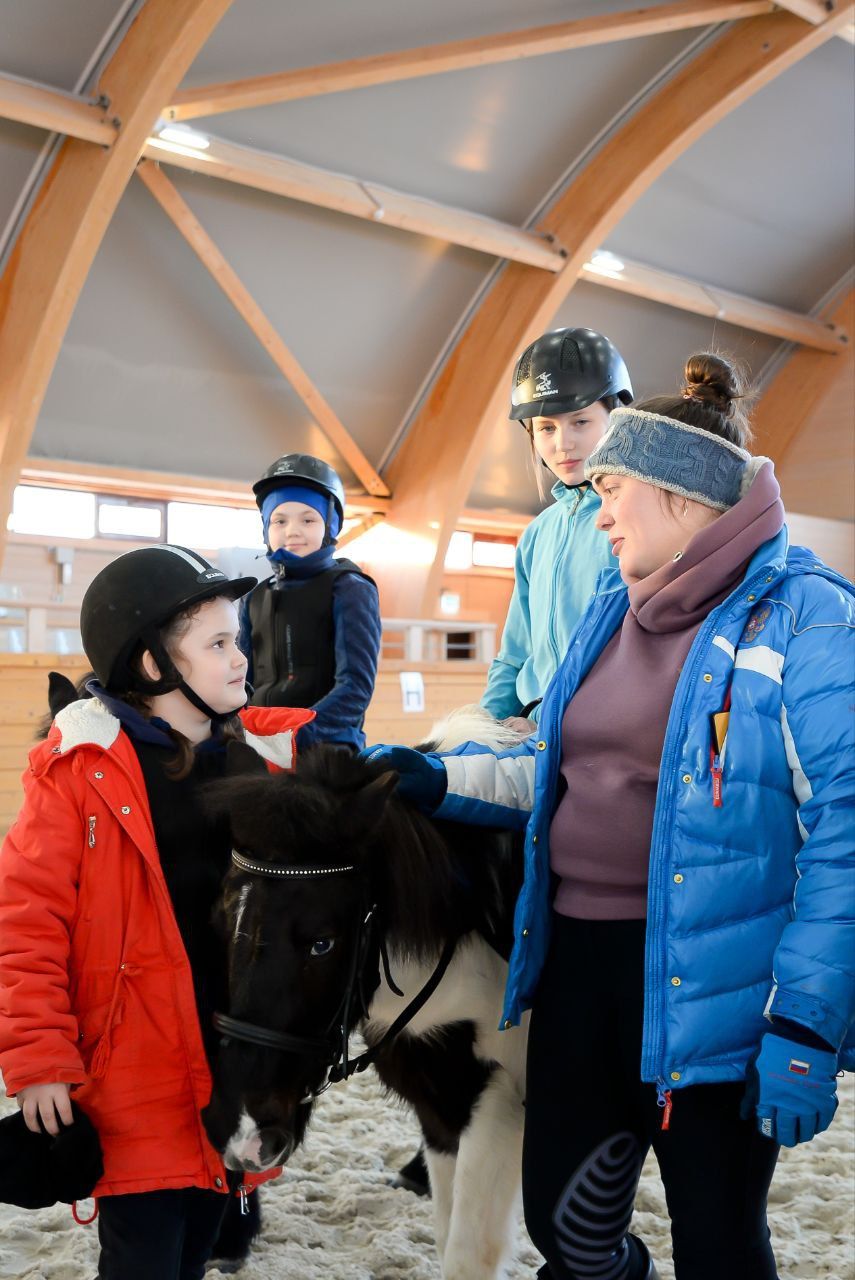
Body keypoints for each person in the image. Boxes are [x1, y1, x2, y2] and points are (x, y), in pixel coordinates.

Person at [364, 353, 855, 1279]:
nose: (597, 512)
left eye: (611, 489)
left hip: (717, 990)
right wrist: (439, 780)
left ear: (679, 495)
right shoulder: (608, 608)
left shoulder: (808, 620)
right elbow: (557, 766)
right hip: (582, 970)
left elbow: (847, 834)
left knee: (716, 1242)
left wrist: (807, 1022)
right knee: (570, 1234)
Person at [0, 545, 310, 1280]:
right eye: (218, 643)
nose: (242, 657)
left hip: (227, 1067)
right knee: (143, 1256)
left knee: (198, 1245)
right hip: (129, 1074)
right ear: (152, 667)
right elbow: (27, 921)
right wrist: (39, 1059)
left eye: (238, 639)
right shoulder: (77, 773)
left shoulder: (262, 759)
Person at [481, 327, 633, 732]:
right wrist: (484, 729)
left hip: (598, 728)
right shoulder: (537, 533)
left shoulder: (633, 520)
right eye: (546, 428)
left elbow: (635, 650)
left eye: (580, 421)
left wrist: (555, 722)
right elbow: (515, 653)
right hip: (532, 724)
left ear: (616, 421)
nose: (562, 443)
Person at [238, 453, 382, 751]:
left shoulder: (349, 588)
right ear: (266, 527)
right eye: (279, 520)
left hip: (325, 749)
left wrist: (298, 733)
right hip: (260, 745)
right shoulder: (255, 597)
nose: (293, 530)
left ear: (329, 524)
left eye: (308, 519)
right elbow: (242, 681)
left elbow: (355, 688)